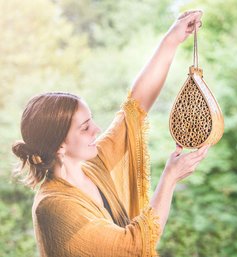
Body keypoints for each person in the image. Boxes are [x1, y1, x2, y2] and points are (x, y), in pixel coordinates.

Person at [12, 10, 209, 257]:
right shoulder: (53, 208)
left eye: (91, 121)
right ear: (59, 146)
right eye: (85, 128)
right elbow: (133, 245)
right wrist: (169, 178)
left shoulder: (93, 166)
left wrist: (172, 39)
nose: (96, 129)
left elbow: (133, 111)